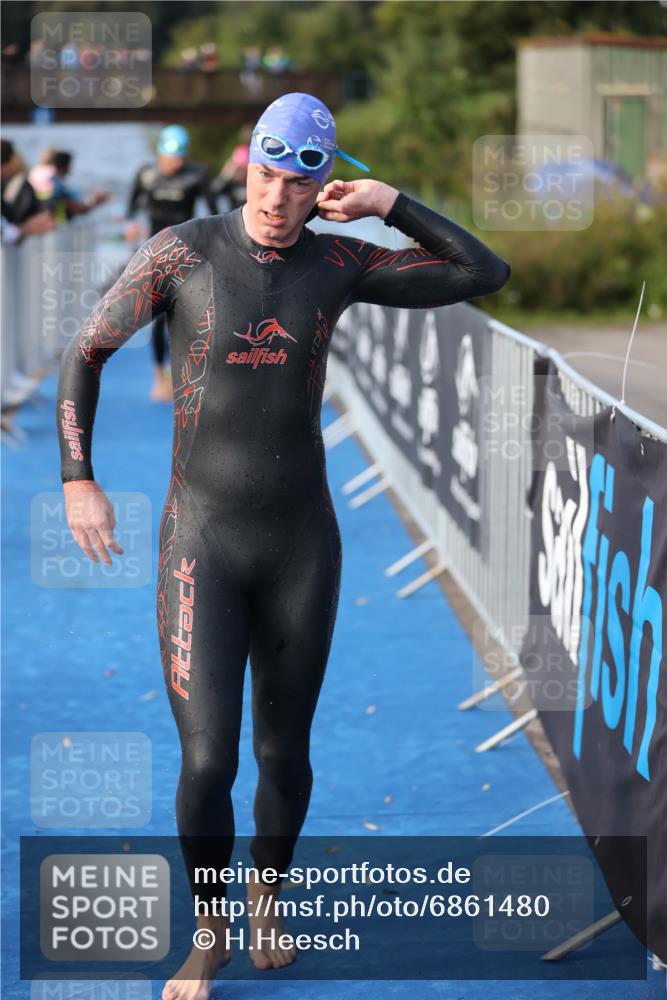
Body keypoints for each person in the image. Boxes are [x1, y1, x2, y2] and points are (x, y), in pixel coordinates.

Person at [56, 92, 510, 999]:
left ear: (320, 188)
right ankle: (210, 927)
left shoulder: (340, 263)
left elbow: (480, 272)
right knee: (206, 761)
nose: (274, 198)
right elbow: (85, 352)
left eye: (296, 184)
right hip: (202, 541)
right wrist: (78, 479)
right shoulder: (181, 252)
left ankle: (268, 894)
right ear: (244, 166)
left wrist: (390, 206)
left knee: (282, 755)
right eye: (263, 176)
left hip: (302, 543)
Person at [124, 124, 219, 401]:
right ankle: (158, 377)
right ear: (159, 154)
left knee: (189, 313)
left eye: (179, 158)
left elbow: (215, 213)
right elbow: (131, 209)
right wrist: (130, 227)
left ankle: (188, 374)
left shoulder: (196, 175)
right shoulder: (145, 174)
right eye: (169, 158)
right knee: (158, 315)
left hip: (187, 252)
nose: (174, 164)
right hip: (155, 254)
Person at [211, 124, 251, 212]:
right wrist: (225, 174)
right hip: (234, 221)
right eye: (238, 168)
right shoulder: (231, 184)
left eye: (243, 168)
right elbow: (212, 193)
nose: (240, 172)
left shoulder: (253, 183)